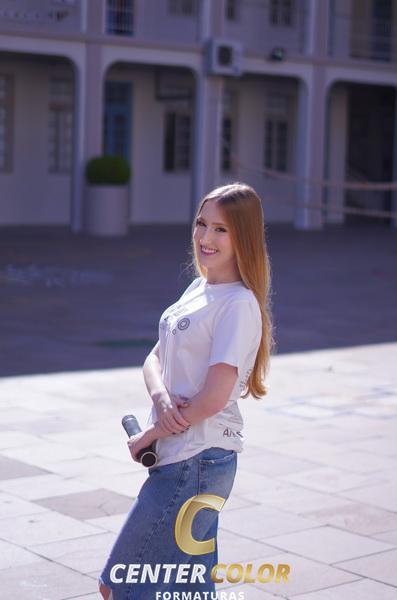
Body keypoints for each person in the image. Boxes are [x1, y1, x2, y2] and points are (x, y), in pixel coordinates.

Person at [98, 182, 274, 599]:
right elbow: (153, 358)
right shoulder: (200, 287)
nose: (205, 237)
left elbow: (213, 399)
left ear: (244, 237)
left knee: (118, 586)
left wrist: (150, 433)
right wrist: (160, 399)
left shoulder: (237, 305)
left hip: (197, 461)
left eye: (221, 229)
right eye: (201, 224)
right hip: (189, 460)